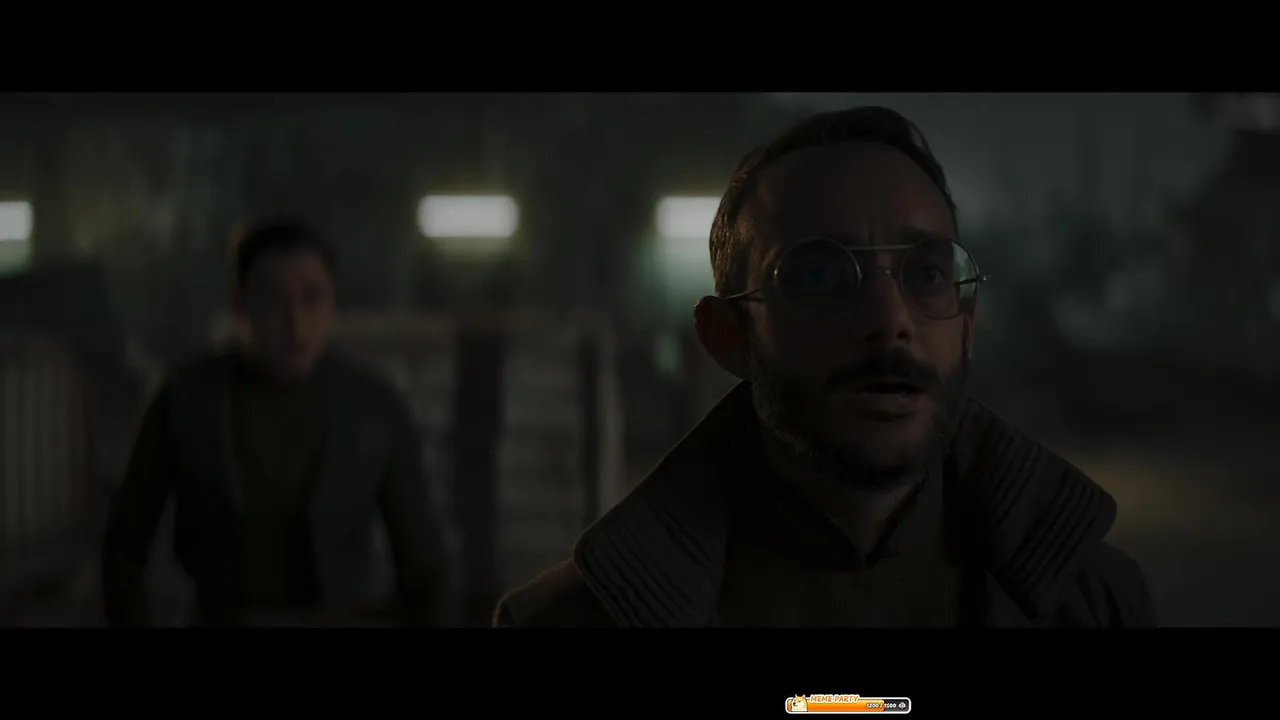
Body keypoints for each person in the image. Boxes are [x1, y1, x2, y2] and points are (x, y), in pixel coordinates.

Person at [494, 107, 1157, 628]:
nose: (889, 320)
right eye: (818, 275)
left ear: (966, 327)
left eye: (927, 273)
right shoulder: (574, 620)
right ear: (728, 335)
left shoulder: (1096, 603)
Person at [102, 219, 452, 627]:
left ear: (332, 303)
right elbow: (123, 549)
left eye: (312, 298)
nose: (295, 323)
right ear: (240, 304)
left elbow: (426, 565)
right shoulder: (186, 399)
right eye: (271, 300)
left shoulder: (373, 406)